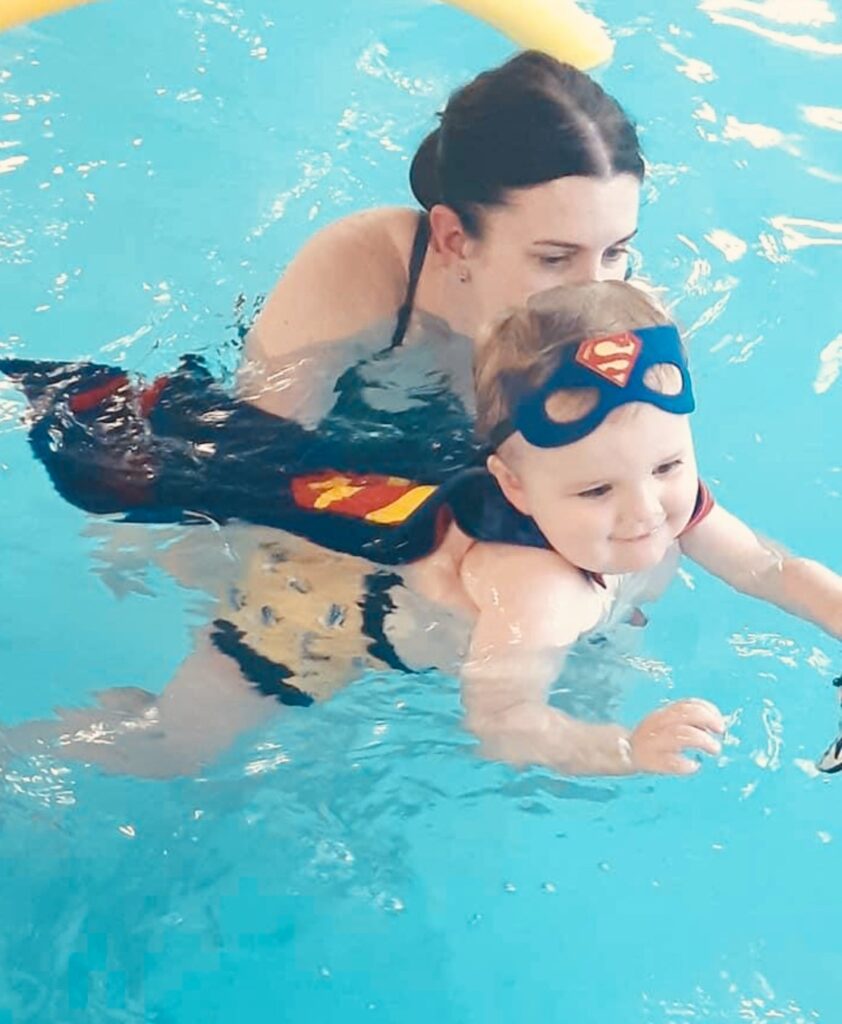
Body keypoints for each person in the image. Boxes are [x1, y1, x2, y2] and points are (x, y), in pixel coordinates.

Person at [7, 282, 840, 779]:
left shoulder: (664, 500)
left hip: (413, 534)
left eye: (668, 465)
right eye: (595, 489)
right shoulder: (537, 589)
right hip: (322, 611)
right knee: (173, 748)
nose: (646, 510)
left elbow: (771, 568)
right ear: (514, 485)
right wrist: (625, 749)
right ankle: (31, 745)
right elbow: (502, 722)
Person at [237, 49, 643, 457]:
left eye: (615, 252)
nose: (597, 299)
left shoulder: (632, 322)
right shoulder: (362, 271)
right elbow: (257, 461)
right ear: (454, 239)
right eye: (554, 259)